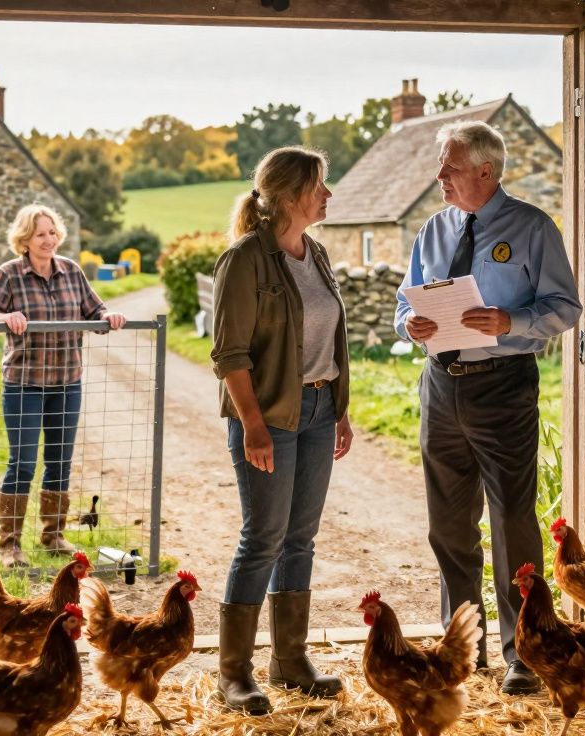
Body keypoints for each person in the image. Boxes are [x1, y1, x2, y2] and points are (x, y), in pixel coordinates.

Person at [393, 121, 582, 694]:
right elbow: (406, 303)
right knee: (448, 526)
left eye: (448, 167)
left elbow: (565, 306)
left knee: (512, 522)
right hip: (441, 386)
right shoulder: (433, 228)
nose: (439, 177)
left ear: (485, 170)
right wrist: (412, 325)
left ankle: (524, 652)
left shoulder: (531, 227)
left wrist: (511, 322)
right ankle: (462, 650)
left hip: (504, 386)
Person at [210, 146, 353, 714]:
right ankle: (234, 674)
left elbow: (326, 341)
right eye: (321, 185)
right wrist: (253, 427)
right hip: (268, 419)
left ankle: (289, 660)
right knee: (262, 539)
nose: (328, 194)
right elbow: (229, 354)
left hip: (319, 413)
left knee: (302, 538)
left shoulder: (314, 253)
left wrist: (338, 410)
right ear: (293, 194)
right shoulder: (245, 259)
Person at [0, 203, 126, 568]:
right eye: (40, 233)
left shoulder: (71, 271)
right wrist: (3, 316)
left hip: (66, 383)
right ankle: (10, 545)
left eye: (53, 232)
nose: (49, 239)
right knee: (23, 463)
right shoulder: (9, 275)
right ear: (24, 239)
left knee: (59, 462)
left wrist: (109, 316)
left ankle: (53, 535)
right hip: (24, 384)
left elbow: (95, 309)